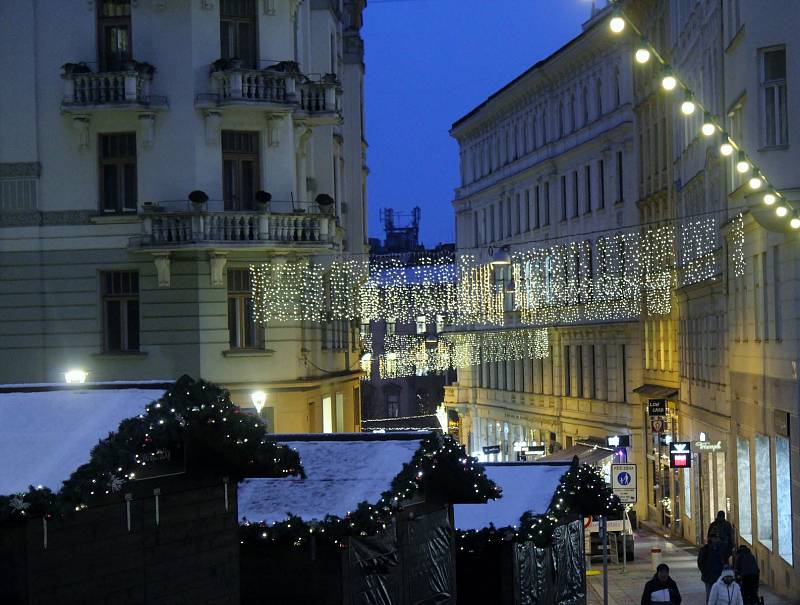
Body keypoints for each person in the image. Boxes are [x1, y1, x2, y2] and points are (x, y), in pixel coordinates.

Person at [698, 534, 727, 600]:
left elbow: (722, 561)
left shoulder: (719, 548)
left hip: (717, 576)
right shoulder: (705, 549)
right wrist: (705, 572)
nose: (717, 539)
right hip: (709, 576)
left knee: (718, 595)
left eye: (717, 538)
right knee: (710, 595)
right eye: (716, 538)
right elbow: (700, 562)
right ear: (712, 539)